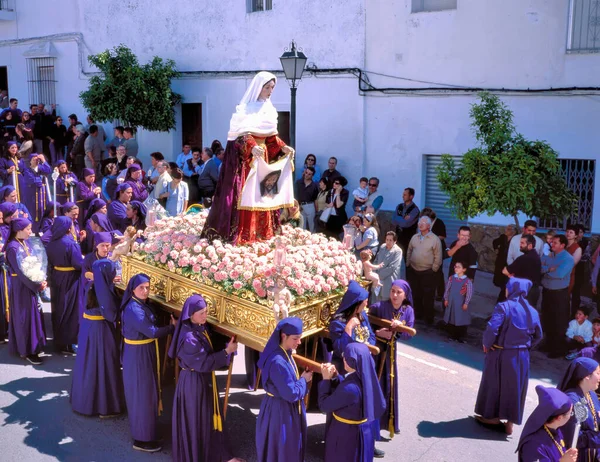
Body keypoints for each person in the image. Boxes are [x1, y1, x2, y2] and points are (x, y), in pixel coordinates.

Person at [201, 71, 295, 244]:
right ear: (258, 87)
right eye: (267, 87)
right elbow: (238, 137)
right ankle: (245, 234)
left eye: (272, 87)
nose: (270, 90)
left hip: (263, 158)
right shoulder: (244, 110)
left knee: (264, 194)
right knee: (247, 195)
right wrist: (252, 147)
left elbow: (271, 137)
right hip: (248, 163)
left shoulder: (269, 109)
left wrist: (283, 147)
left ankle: (263, 232)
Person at [169, 294, 243, 462]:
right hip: (194, 382)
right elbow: (203, 362)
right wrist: (226, 352)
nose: (205, 316)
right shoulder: (189, 337)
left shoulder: (198, 326)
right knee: (198, 420)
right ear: (191, 314)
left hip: (202, 379)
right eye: (201, 313)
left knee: (206, 416)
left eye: (206, 312)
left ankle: (214, 452)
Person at [474, 277, 543, 435]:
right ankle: (510, 422)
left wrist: (487, 343)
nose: (506, 289)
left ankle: (493, 418)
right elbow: (539, 335)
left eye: (507, 287)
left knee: (495, 384)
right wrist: (525, 348)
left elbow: (492, 329)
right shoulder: (532, 311)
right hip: (522, 355)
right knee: (515, 387)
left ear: (512, 289)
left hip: (501, 352)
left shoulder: (504, 306)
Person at [121, 273, 176, 452]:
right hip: (138, 355)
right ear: (133, 290)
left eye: (147, 287)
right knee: (142, 395)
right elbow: (152, 332)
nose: (145, 291)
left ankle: (148, 432)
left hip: (144, 352)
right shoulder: (134, 310)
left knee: (148, 393)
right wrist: (172, 328)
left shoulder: (141, 304)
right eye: (141, 288)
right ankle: (142, 439)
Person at [71, 255, 125, 417]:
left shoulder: (92, 285)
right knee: (104, 364)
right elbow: (112, 315)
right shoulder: (105, 292)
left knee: (88, 364)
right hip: (101, 330)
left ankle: (84, 401)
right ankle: (104, 406)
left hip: (88, 328)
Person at [255, 317, 312, 462]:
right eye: (295, 339)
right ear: (283, 336)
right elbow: (291, 393)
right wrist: (304, 380)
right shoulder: (277, 361)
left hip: (282, 407)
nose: (299, 342)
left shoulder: (285, 351)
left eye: (300, 338)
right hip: (280, 411)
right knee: (282, 450)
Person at [319, 343, 386, 462]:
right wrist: (336, 376)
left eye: (346, 356)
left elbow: (324, 405)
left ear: (352, 362)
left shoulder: (350, 389)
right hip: (363, 431)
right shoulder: (367, 376)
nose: (343, 358)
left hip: (345, 434)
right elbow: (347, 388)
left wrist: (325, 380)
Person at [370, 280, 415, 438]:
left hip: (391, 354)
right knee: (375, 386)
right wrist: (377, 332)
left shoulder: (407, 310)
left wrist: (399, 330)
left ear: (405, 295)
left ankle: (387, 423)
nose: (395, 295)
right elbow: (365, 323)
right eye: (393, 291)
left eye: (399, 292)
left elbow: (409, 334)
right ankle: (371, 426)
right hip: (376, 352)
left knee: (388, 387)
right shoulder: (379, 307)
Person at [5, 218, 47, 365]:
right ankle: (27, 349)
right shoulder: (13, 248)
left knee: (33, 314)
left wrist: (41, 278)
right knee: (25, 317)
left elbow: (34, 263)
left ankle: (35, 345)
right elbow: (21, 272)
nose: (30, 231)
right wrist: (37, 285)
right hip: (21, 286)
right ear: (19, 230)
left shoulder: (25, 243)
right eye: (28, 229)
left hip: (30, 284)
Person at [46, 216, 84, 355]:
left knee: (58, 308)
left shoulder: (51, 243)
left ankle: (59, 340)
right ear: (68, 228)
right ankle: (69, 342)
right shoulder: (70, 243)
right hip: (70, 279)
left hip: (57, 277)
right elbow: (78, 264)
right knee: (71, 309)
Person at [516, 385, 577, 462]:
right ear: (559, 418)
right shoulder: (533, 444)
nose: (571, 416)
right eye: (570, 413)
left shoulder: (555, 430)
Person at [558, 357, 600, 462]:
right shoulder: (572, 400)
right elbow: (574, 438)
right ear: (587, 376)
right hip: (578, 457)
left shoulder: (592, 394)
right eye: (598, 374)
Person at [541, 234, 575, 358]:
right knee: (547, 318)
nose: (552, 244)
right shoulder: (548, 256)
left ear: (562, 245)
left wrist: (547, 270)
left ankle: (558, 349)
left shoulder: (568, 258)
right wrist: (549, 269)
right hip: (547, 291)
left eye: (555, 242)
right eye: (551, 242)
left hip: (559, 294)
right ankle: (548, 344)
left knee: (559, 321)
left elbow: (559, 274)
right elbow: (540, 268)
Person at [406, 216, 442, 325]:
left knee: (428, 296)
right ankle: (417, 315)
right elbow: (409, 250)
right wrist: (408, 263)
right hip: (414, 270)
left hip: (428, 272)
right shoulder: (414, 237)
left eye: (423, 222)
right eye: (419, 222)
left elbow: (438, 256)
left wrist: (434, 269)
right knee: (416, 294)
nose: (420, 224)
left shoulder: (434, 239)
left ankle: (428, 318)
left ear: (429, 226)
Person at [503, 234, 542, 306]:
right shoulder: (536, 257)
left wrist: (510, 275)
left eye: (522, 243)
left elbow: (505, 271)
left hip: (523, 291)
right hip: (533, 291)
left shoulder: (523, 258)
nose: (520, 245)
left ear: (530, 245)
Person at [443, 261, 474, 343]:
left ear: (464, 269)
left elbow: (469, 293)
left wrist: (466, 303)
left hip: (460, 304)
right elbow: (447, 289)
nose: (456, 268)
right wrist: (446, 298)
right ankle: (452, 335)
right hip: (452, 303)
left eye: (459, 267)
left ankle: (460, 336)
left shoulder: (467, 282)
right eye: (455, 266)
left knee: (461, 319)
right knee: (452, 318)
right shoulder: (451, 278)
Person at [21, 153, 51, 233]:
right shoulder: (27, 170)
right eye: (34, 159)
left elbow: (48, 170)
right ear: (30, 161)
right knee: (32, 212)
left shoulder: (41, 168)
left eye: (37, 160)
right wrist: (40, 180)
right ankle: (32, 230)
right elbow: (32, 181)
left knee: (42, 211)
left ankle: (41, 229)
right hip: (32, 195)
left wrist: (43, 160)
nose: (36, 161)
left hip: (42, 196)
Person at [372, 231, 403, 303]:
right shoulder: (382, 247)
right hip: (377, 279)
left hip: (388, 280)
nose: (388, 242)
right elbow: (376, 260)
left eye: (390, 240)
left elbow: (392, 267)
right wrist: (374, 273)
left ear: (395, 241)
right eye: (387, 240)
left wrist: (378, 276)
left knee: (385, 302)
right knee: (375, 301)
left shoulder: (398, 251)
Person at [392, 187, 419, 256]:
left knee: (406, 257)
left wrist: (399, 218)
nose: (403, 196)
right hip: (398, 236)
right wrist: (403, 218)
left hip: (408, 239)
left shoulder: (415, 210)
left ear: (411, 196)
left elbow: (406, 224)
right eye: (403, 194)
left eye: (405, 195)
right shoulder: (399, 206)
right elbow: (393, 220)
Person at [493, 224, 517, 301]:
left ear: (514, 231)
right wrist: (496, 249)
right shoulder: (503, 237)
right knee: (499, 281)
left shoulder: (516, 239)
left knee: (506, 283)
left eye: (509, 229)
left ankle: (502, 299)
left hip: (509, 264)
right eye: (506, 228)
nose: (506, 230)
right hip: (501, 262)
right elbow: (495, 242)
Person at [295, 166, 319, 233]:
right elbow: (296, 194)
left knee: (312, 225)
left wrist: (317, 210)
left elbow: (315, 199)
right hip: (301, 205)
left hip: (310, 205)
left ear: (312, 175)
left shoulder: (314, 185)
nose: (307, 175)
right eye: (306, 172)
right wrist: (297, 205)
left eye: (309, 174)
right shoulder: (299, 183)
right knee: (302, 225)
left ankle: (314, 239)